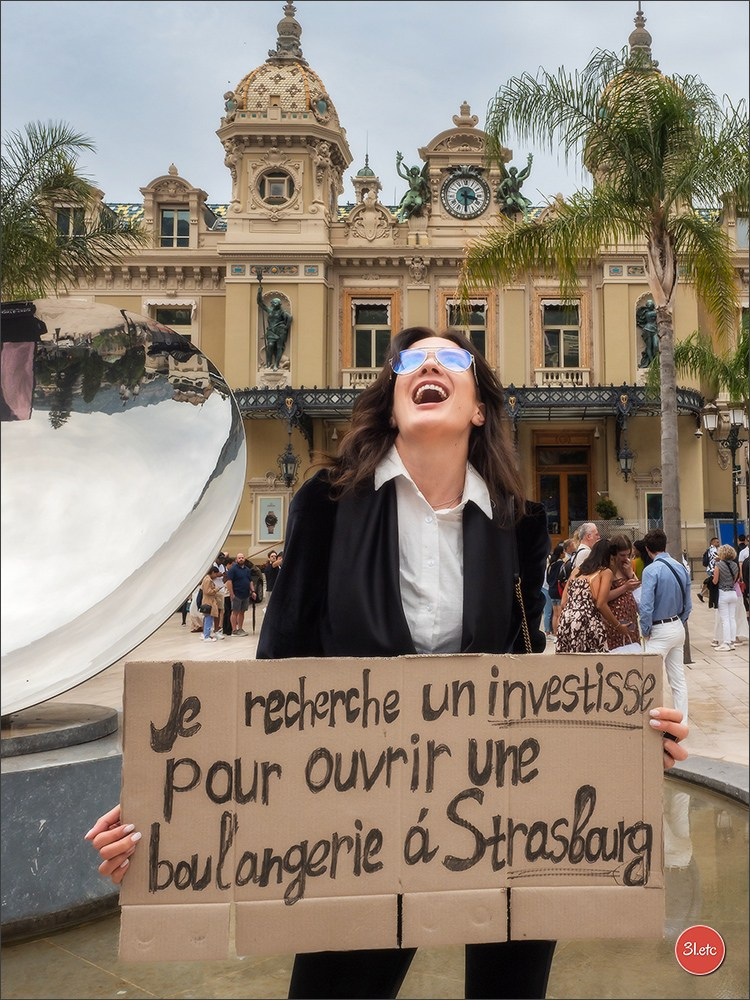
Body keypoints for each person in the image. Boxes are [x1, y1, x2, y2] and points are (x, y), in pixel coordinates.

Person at [85, 327, 688, 1000]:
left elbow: (526, 682)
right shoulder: (326, 506)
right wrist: (166, 807)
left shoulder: (517, 523)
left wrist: (628, 746)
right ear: (393, 397)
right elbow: (272, 683)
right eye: (410, 359)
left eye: (452, 357)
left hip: (503, 820)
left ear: (480, 406)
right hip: (355, 826)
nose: (430, 362)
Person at [639, 528, 692, 726]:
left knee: (649, 676)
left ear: (647, 548)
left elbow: (646, 606)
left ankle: (652, 720)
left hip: (659, 628)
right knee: (678, 679)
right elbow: (688, 604)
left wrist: (645, 630)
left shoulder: (651, 570)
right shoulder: (680, 567)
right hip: (677, 625)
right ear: (664, 544)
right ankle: (682, 722)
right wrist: (680, 620)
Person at [555, 538, 632, 653]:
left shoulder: (577, 570)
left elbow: (563, 603)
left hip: (566, 621)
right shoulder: (605, 572)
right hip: (588, 622)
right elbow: (601, 604)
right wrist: (618, 627)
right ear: (611, 557)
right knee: (592, 665)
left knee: (569, 665)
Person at [603, 534, 640, 650]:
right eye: (622, 555)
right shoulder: (608, 570)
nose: (625, 558)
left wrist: (630, 574)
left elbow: (637, 588)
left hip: (630, 618)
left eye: (628, 555)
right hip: (615, 620)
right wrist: (624, 587)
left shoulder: (627, 567)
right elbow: (603, 598)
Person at [257, 272, 292, 371]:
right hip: (272, 331)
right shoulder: (270, 311)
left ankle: (276, 364)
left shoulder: (282, 312)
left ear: (279, 304)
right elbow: (260, 303)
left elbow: (289, 318)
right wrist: (259, 292)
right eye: (274, 302)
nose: (275, 303)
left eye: (277, 302)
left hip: (280, 331)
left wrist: (286, 327)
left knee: (279, 347)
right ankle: (268, 364)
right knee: (271, 346)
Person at [712, 543, 740, 651]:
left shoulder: (718, 565)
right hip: (733, 593)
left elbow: (715, 581)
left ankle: (726, 642)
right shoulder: (735, 565)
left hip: (723, 593)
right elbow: (735, 580)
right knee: (732, 618)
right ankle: (732, 641)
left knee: (725, 619)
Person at [395, 151, 430, 221]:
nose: (414, 171)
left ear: (418, 171)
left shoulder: (421, 179)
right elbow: (400, 174)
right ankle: (401, 216)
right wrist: (397, 165)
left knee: (419, 203)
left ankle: (411, 213)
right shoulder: (410, 178)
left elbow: (425, 188)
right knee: (405, 203)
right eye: (413, 170)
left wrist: (426, 196)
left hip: (417, 195)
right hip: (410, 194)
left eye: (415, 170)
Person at [227, 552, 253, 636]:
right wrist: (231, 593)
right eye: (239, 558)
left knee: (242, 612)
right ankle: (234, 630)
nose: (241, 559)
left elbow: (250, 581)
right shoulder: (233, 569)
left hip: (245, 594)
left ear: (244, 559)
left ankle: (240, 629)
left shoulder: (247, 570)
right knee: (235, 612)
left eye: (242, 557)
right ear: (236, 559)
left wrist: (253, 591)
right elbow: (229, 581)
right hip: (236, 594)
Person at [544, 541, 566, 637]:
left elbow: (548, 578)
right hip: (559, 590)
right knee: (560, 613)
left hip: (551, 590)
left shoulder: (551, 565)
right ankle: (559, 633)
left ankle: (555, 632)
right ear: (561, 553)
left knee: (555, 613)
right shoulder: (562, 564)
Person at [199, 564, 223, 642]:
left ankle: (207, 634)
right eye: (215, 574)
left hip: (210, 601)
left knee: (209, 618)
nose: (216, 576)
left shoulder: (208, 579)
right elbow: (207, 591)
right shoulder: (207, 580)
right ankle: (206, 636)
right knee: (208, 619)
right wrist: (216, 589)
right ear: (212, 572)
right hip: (208, 602)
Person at [698, 536, 720, 606]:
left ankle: (702, 593)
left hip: (710, 568)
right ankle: (706, 595)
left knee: (711, 582)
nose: (718, 543)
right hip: (713, 569)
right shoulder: (713, 549)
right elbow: (717, 558)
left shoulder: (709, 549)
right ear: (712, 542)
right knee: (713, 583)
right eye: (717, 542)